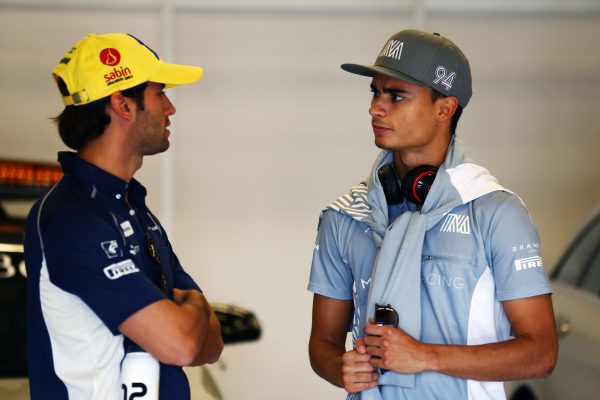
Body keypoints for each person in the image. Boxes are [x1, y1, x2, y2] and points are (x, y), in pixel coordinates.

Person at [307, 29, 558, 399]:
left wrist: (425, 357)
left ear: (445, 108)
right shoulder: (344, 216)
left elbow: (541, 353)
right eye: (376, 92)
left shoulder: (495, 212)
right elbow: (323, 344)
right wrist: (339, 367)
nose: (376, 107)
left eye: (396, 96)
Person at [24, 33, 223, 400]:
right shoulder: (72, 217)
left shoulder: (130, 205)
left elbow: (210, 346)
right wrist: (193, 306)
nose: (170, 108)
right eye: (160, 93)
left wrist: (187, 320)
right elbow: (181, 345)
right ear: (123, 105)